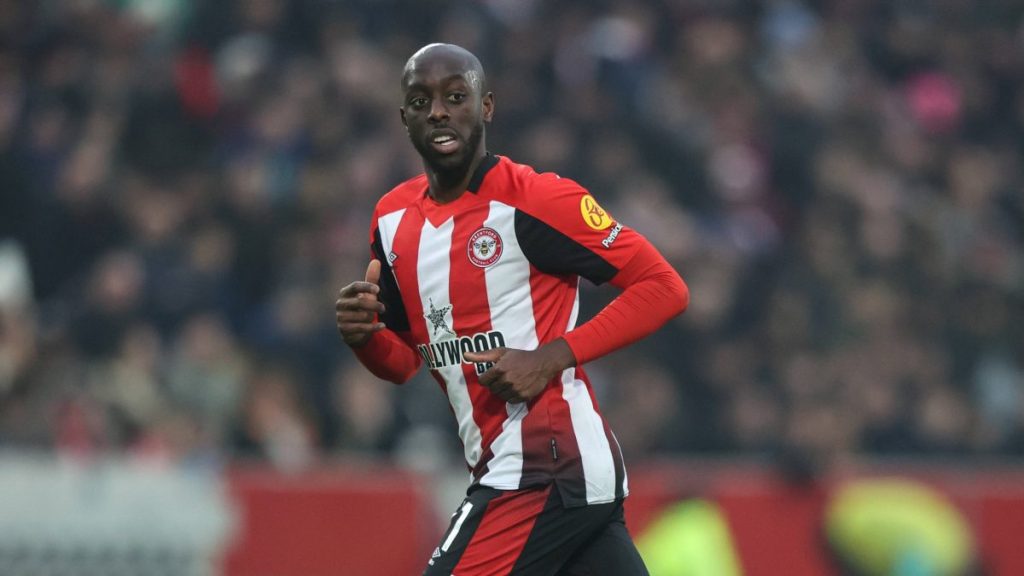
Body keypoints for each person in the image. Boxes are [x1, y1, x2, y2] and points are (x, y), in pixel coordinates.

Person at [335, 43, 688, 576]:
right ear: (404, 118)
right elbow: (405, 362)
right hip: (533, 473)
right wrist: (364, 338)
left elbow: (664, 286)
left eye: (456, 97)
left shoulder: (536, 199)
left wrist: (549, 358)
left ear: (487, 106)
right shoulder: (391, 221)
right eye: (421, 101)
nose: (438, 112)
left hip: (543, 468)